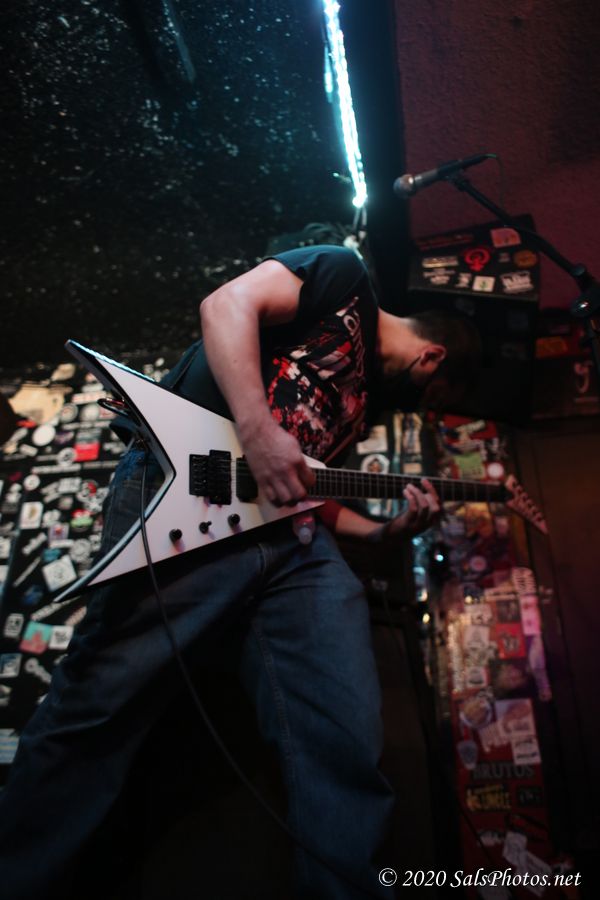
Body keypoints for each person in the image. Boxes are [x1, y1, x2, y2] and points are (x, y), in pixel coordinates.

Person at [0, 244, 481, 899]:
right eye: (434, 395)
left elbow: (306, 494)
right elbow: (226, 305)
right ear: (433, 358)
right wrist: (257, 430)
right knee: (99, 707)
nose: (420, 406)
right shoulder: (343, 277)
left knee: (344, 733)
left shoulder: (364, 400)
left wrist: (384, 532)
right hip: (188, 490)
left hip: (291, 546)